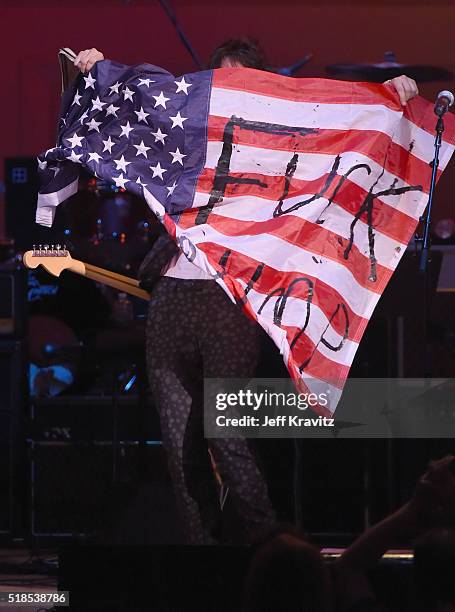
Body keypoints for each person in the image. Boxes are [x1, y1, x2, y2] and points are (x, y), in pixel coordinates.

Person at [73, 42, 420, 545]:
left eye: (242, 84)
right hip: (172, 297)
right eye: (221, 82)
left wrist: (387, 98)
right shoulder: (194, 136)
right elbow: (147, 109)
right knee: (179, 446)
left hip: (229, 303)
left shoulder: (282, 146)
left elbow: (335, 132)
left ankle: (267, 554)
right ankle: (204, 560)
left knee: (226, 433)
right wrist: (99, 72)